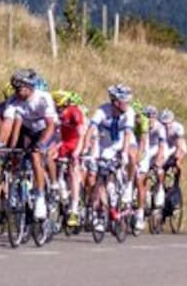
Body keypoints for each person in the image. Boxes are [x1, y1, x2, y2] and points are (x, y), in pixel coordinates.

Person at [0, 68, 59, 221]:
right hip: (28, 129)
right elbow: (8, 124)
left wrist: (43, 144)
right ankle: (17, 188)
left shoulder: (43, 98)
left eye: (19, 88)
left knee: (36, 156)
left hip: (45, 129)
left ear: (29, 87)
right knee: (16, 154)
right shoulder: (13, 100)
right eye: (15, 88)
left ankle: (40, 198)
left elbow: (50, 125)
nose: (16, 92)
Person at [86, 83, 137, 219]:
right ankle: (108, 206)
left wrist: (124, 152)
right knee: (103, 176)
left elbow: (127, 134)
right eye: (124, 102)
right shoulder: (102, 111)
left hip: (123, 141)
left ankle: (129, 185)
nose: (127, 104)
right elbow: (90, 129)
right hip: (106, 144)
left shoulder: (130, 112)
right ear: (115, 102)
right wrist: (86, 149)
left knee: (132, 156)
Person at [52, 90, 86, 226]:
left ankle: (74, 208)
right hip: (63, 142)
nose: (57, 108)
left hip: (75, 142)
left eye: (59, 106)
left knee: (73, 172)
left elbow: (81, 134)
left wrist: (77, 151)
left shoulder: (74, 112)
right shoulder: (54, 113)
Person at [135, 104, 168, 229]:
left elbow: (161, 147)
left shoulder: (160, 128)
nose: (150, 119)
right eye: (147, 116)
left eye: (152, 116)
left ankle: (160, 187)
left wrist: (159, 161)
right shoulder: (141, 125)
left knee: (159, 169)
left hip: (156, 149)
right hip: (145, 150)